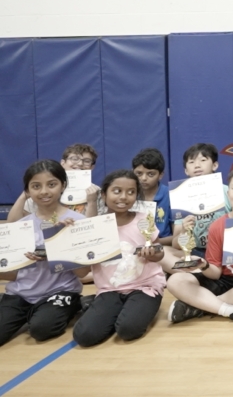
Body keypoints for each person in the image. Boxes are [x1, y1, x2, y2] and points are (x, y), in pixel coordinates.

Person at [165, 166, 233, 324]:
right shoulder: (217, 225)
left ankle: (201, 305)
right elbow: (215, 273)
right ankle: (232, 310)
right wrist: (203, 265)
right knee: (175, 281)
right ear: (228, 193)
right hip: (222, 281)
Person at [73, 170, 165, 346]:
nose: (124, 197)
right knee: (84, 336)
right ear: (104, 194)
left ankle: (138, 307)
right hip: (110, 290)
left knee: (128, 330)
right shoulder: (97, 225)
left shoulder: (144, 219)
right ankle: (107, 308)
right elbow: (82, 264)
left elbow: (160, 251)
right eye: (117, 191)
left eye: (131, 192)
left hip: (144, 286)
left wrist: (153, 252)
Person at [0, 160, 86, 346]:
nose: (44, 191)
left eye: (52, 184)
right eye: (36, 186)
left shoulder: (76, 221)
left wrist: (58, 247)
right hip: (21, 293)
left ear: (63, 185)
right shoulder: (20, 226)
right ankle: (30, 311)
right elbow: (12, 275)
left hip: (59, 291)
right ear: (28, 191)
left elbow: (83, 273)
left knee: (41, 329)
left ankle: (71, 305)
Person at [159, 143, 232, 273]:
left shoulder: (228, 192)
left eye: (203, 160)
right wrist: (184, 231)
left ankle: (201, 273)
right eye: (191, 162)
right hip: (196, 252)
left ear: (215, 165)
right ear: (186, 170)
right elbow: (176, 243)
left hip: (223, 251)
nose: (197, 165)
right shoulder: (181, 196)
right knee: (162, 252)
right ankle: (200, 272)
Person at [8, 143, 102, 222]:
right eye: (74, 159)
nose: (80, 163)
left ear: (92, 167)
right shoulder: (41, 188)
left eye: (87, 161)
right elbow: (16, 224)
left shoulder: (96, 191)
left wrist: (92, 202)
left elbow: (94, 226)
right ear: (63, 163)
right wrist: (24, 195)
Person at [132, 148, 173, 246]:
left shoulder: (171, 195)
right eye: (139, 173)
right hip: (131, 247)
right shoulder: (127, 195)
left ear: (160, 175)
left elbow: (177, 236)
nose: (143, 178)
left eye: (150, 174)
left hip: (163, 247)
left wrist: (151, 243)